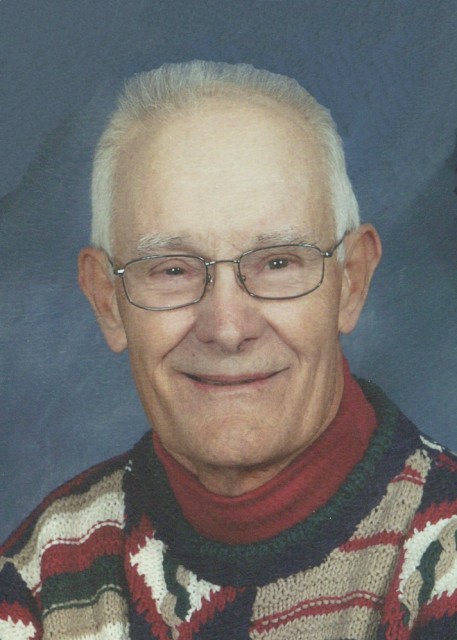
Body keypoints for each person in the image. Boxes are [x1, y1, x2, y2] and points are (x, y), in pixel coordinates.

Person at [1, 61, 456, 640]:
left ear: (352, 282)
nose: (227, 327)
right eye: (172, 269)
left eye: (278, 263)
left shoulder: (444, 559)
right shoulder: (41, 578)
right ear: (107, 301)